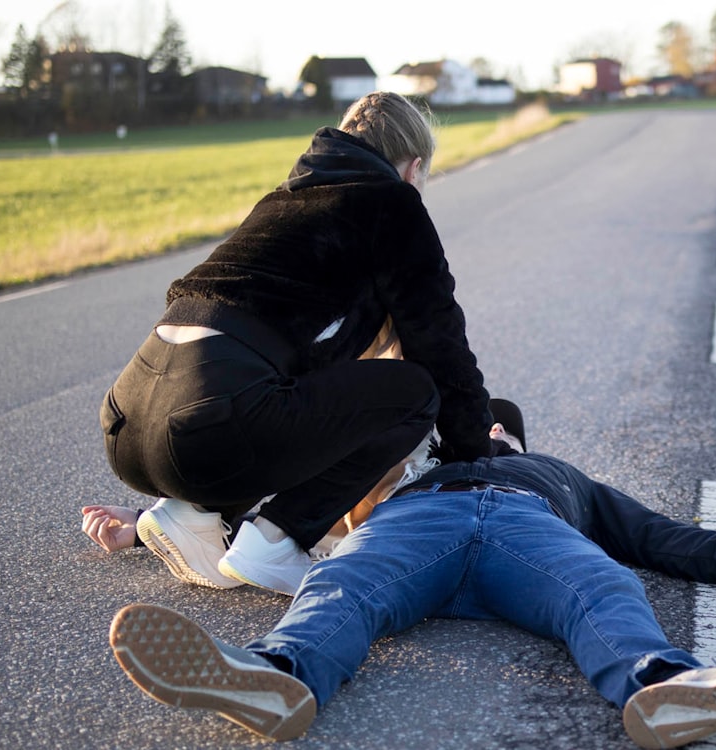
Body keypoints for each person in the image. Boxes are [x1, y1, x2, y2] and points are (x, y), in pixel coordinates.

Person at [107, 412, 716, 749]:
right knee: (342, 582)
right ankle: (277, 673)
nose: (487, 432)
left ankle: (666, 687)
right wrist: (144, 523)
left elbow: (651, 536)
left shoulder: (557, 476)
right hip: (418, 526)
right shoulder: (406, 477)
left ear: (518, 439)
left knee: (605, 585)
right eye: (473, 425)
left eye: (498, 427)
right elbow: (278, 506)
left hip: (527, 535)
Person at [97, 91, 498, 597]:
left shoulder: (280, 202)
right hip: (208, 426)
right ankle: (276, 539)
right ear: (413, 167)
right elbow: (442, 348)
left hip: (127, 424)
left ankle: (189, 512)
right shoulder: (392, 202)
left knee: (288, 397)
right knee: (416, 392)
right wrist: (474, 453)